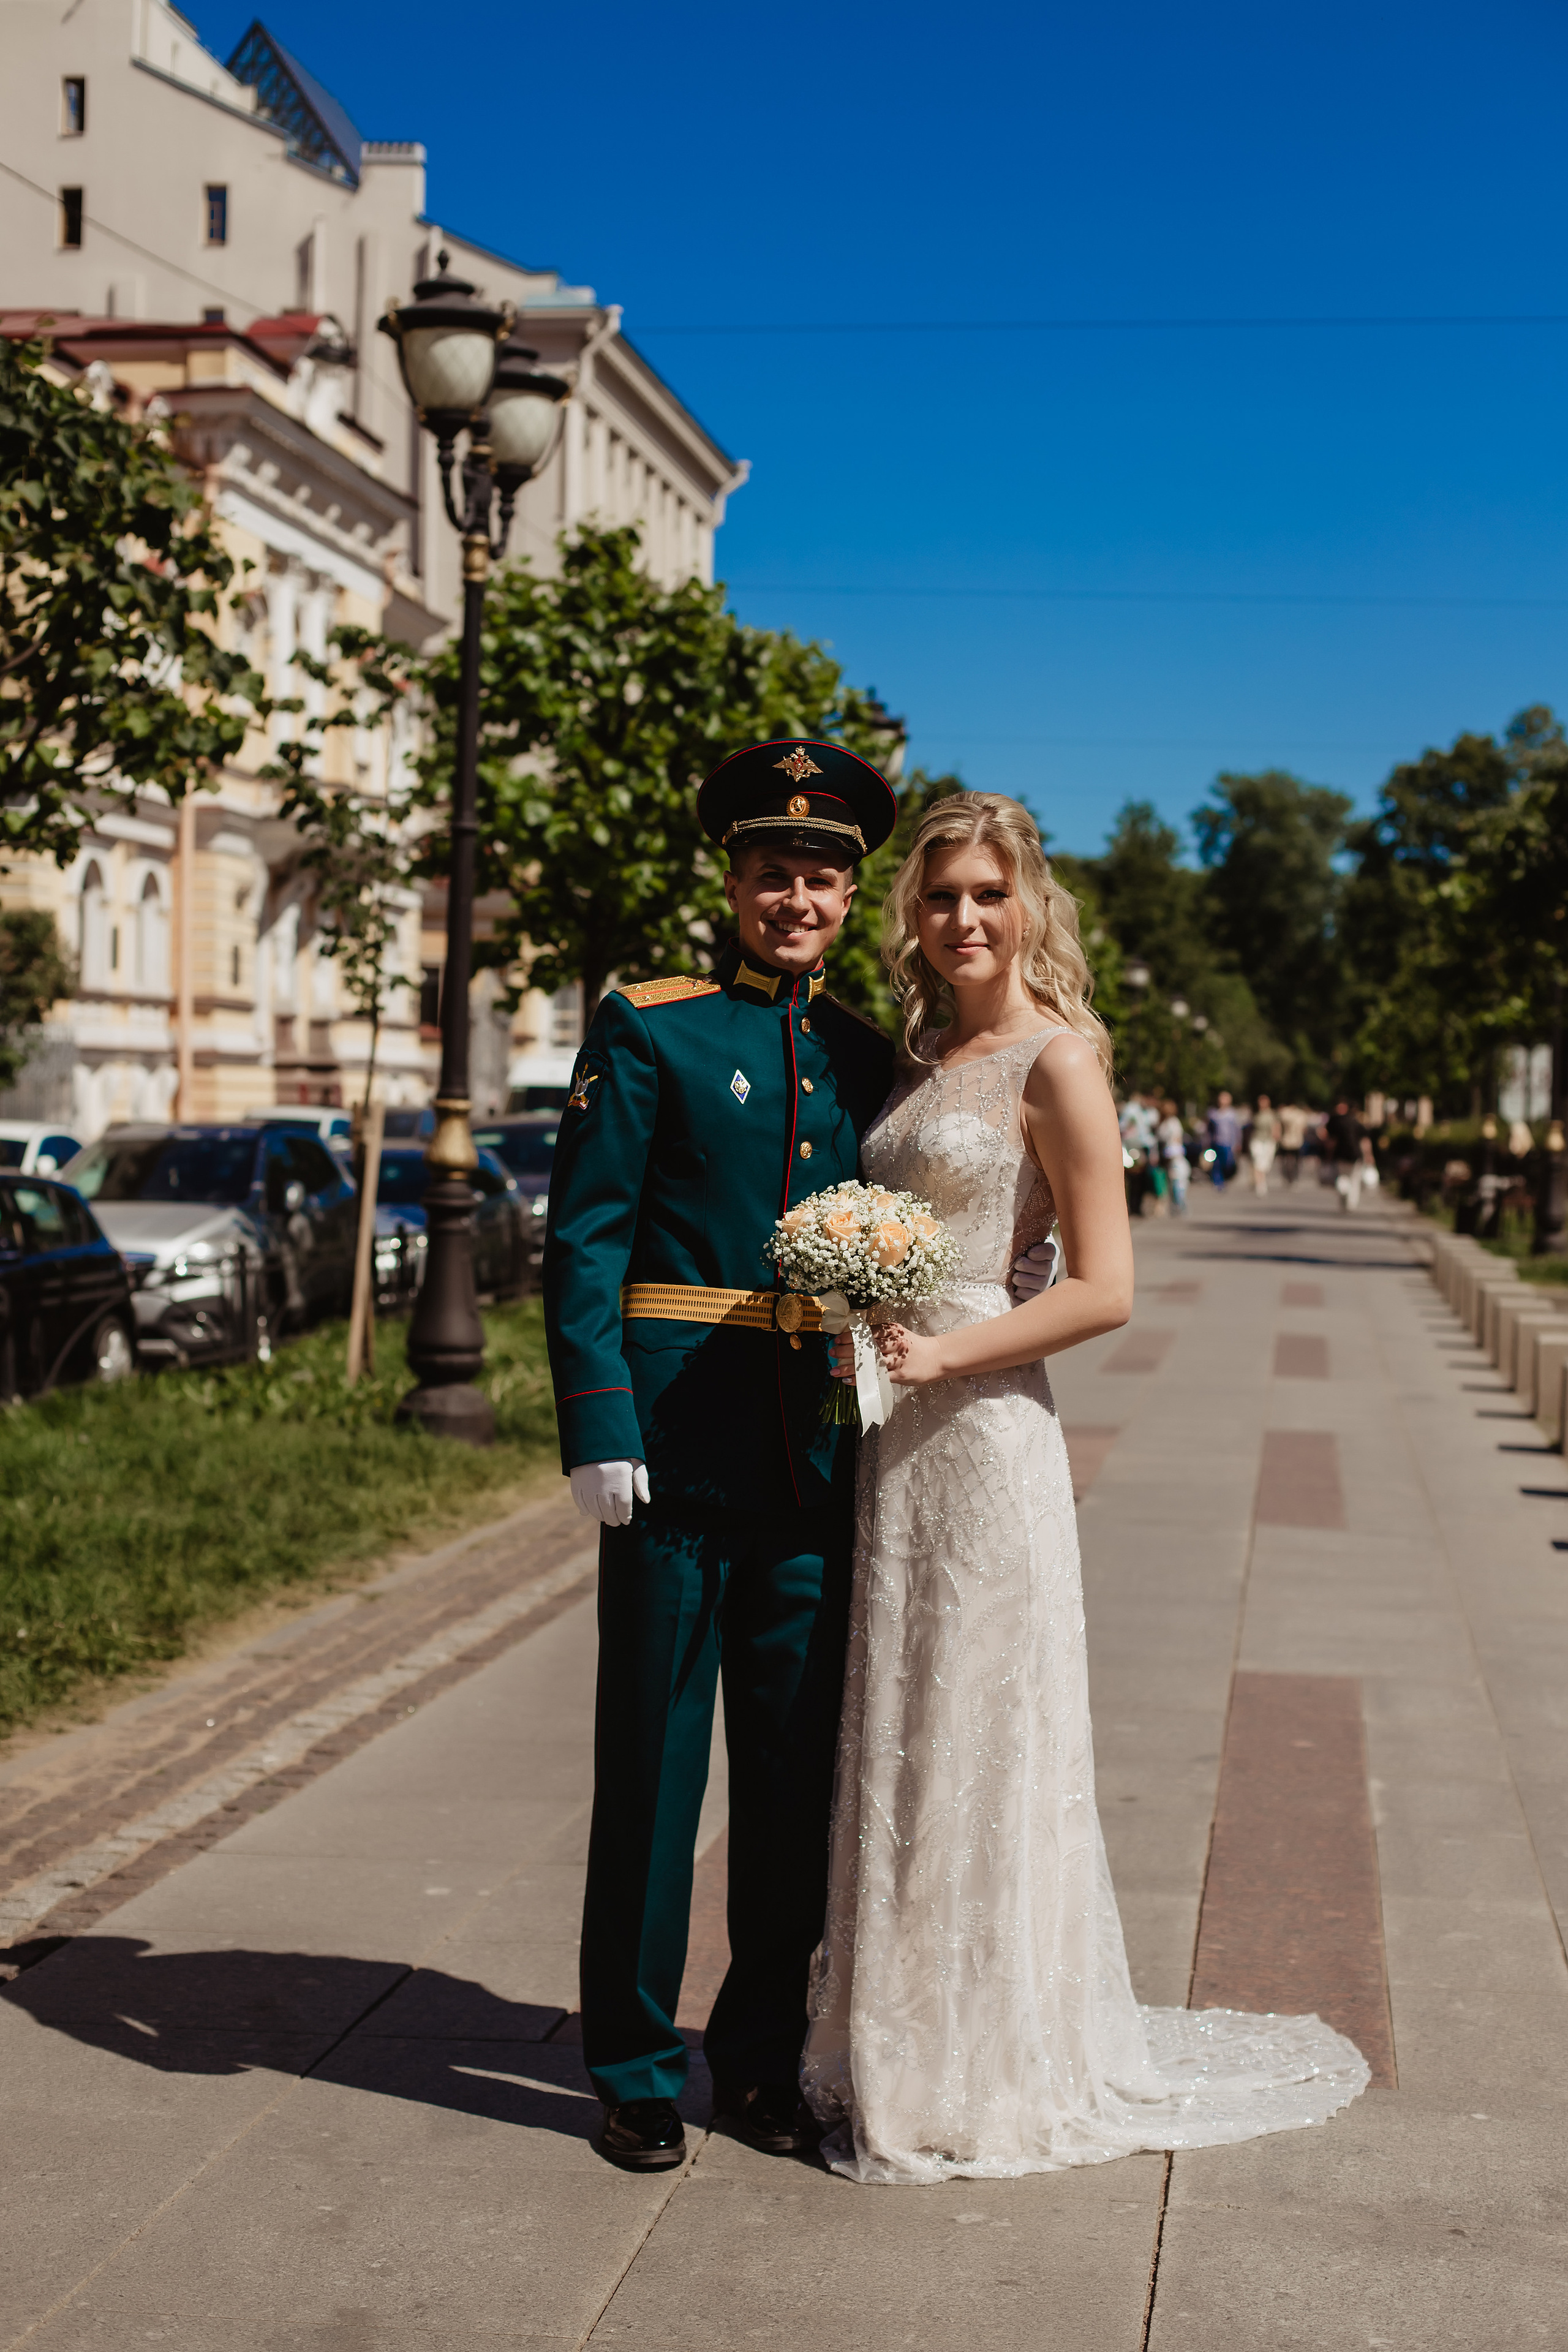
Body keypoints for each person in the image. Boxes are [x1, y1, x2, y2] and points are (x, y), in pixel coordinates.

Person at [803, 790, 1368, 2184]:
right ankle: (892, 2040)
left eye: (988, 893)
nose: (962, 918)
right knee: (897, 1735)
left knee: (980, 1741)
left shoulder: (1057, 1062)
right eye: (939, 896)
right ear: (913, 915)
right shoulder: (921, 1052)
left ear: (1026, 902)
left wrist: (944, 1342)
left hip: (987, 1430)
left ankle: (983, 2061)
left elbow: (1105, 1290)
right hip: (892, 1435)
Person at [543, 739, 899, 2173]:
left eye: (819, 875)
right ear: (732, 880)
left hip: (813, 1461)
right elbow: (585, 1237)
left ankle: (752, 2057)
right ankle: (631, 2060)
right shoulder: (650, 1026)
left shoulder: (867, 1055)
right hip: (674, 1454)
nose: (793, 895)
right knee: (650, 1767)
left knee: (789, 1784)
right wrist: (597, 1420)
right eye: (771, 871)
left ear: (847, 896)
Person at [1325, 1098, 1373, 1212]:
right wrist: (1369, 1156)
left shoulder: (1338, 1123)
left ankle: (1344, 1195)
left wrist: (1329, 1156)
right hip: (1356, 1156)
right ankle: (1352, 1203)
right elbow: (1365, 1142)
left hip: (1341, 1155)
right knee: (1355, 1180)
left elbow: (1332, 1142)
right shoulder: (1358, 1124)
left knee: (1343, 1177)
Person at [1156, 1096, 1189, 1213]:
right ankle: (1176, 1205)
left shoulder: (1173, 1123)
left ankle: (1180, 1205)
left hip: (1174, 1156)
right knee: (1172, 1182)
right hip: (1168, 1157)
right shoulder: (1165, 1123)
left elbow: (1176, 1140)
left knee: (1177, 1181)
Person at [1248, 1093, 1281, 1194]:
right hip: (1257, 1140)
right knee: (1258, 1162)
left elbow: (1276, 1126)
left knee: (1265, 1164)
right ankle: (1260, 1184)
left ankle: (1261, 1180)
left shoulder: (1272, 1115)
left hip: (1269, 1141)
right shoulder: (1257, 1115)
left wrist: (1276, 1137)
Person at [1207, 1088, 1241, 1185]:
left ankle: (1227, 1177)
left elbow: (1237, 1130)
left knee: (1227, 1162)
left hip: (1228, 1143)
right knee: (1216, 1162)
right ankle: (1218, 1182)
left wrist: (1238, 1143)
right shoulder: (1213, 1113)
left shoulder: (1232, 1114)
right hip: (1216, 1142)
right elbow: (1209, 1130)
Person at [1277, 1099, 1310, 1184]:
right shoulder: (1301, 1115)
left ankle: (1290, 1177)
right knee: (1295, 1161)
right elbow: (1304, 1129)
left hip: (1288, 1140)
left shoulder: (1284, 1113)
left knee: (1288, 1160)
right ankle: (1293, 1177)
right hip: (1294, 1141)